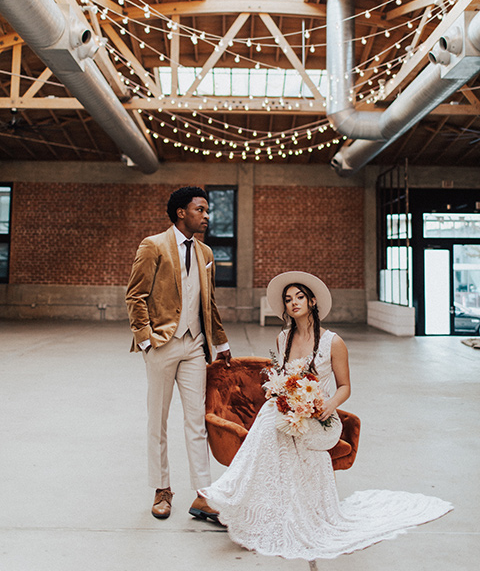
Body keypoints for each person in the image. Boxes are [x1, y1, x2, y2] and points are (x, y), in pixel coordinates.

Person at [200, 271, 453, 560]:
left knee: (275, 422)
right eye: (288, 299)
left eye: (299, 297)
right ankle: (256, 501)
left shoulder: (333, 342)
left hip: (321, 418)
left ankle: (235, 492)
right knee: (272, 413)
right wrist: (281, 395)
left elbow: (345, 387)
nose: (294, 303)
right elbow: (282, 378)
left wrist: (327, 406)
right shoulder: (283, 338)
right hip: (291, 413)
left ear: (312, 301)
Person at [126, 186, 231, 522]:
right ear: (181, 212)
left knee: (196, 422)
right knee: (157, 419)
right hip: (162, 344)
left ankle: (203, 494)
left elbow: (208, 302)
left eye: (207, 210)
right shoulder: (153, 245)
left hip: (195, 345)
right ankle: (162, 489)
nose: (206, 215)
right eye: (200, 209)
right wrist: (145, 340)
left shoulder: (206, 252)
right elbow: (136, 296)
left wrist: (221, 341)